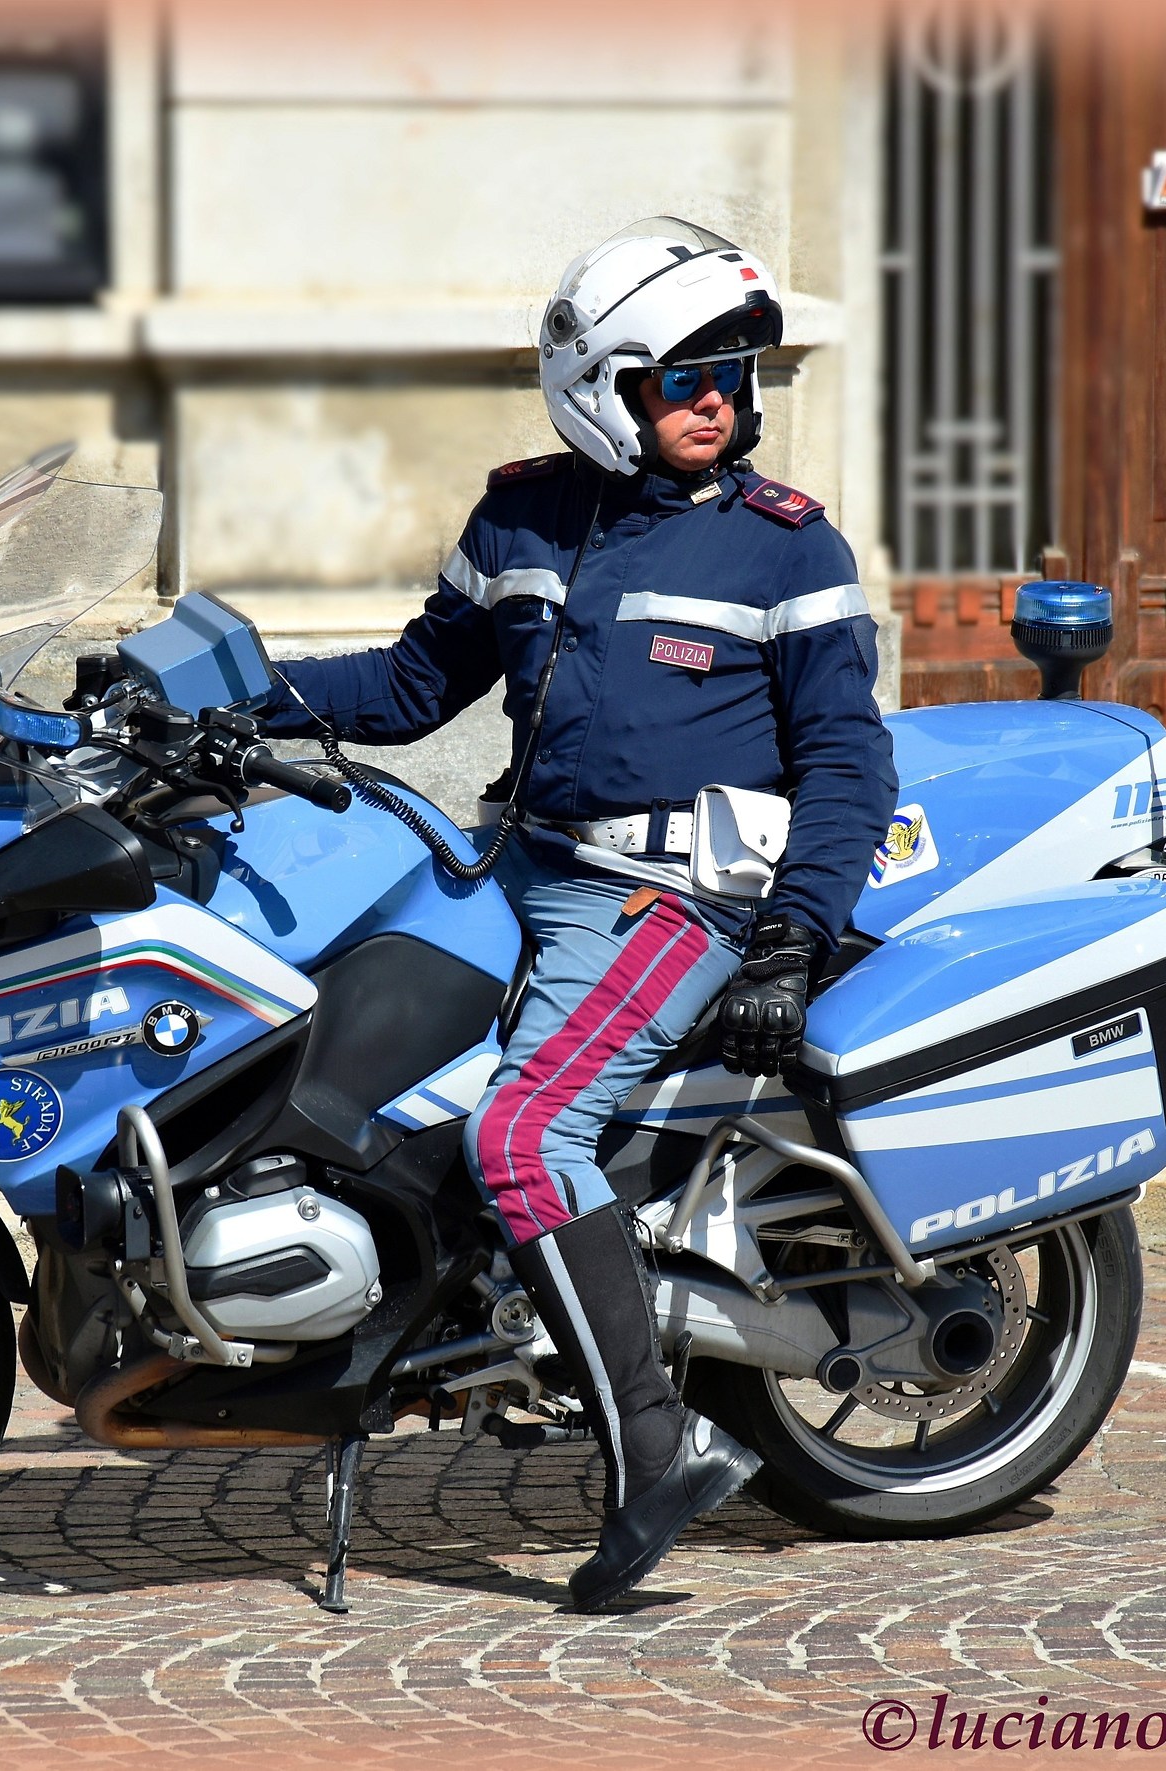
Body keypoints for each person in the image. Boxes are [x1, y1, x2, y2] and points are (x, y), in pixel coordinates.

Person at [258, 217, 897, 1610]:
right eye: (687, 377)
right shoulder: (525, 517)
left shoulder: (788, 551)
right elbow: (416, 684)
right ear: (604, 391)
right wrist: (228, 690)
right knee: (330, 1047)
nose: (723, 398)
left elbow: (851, 762)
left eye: (737, 370)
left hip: (668, 900)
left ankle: (660, 1453)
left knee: (525, 1131)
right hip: (522, 868)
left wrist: (792, 936)